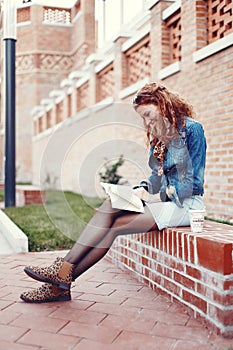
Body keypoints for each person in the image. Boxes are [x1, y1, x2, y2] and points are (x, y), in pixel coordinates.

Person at [20, 82, 206, 303]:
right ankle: (61, 280)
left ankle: (60, 278)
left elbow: (192, 184)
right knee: (112, 208)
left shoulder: (192, 130)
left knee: (114, 222)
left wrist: (155, 195)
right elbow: (155, 179)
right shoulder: (158, 138)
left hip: (186, 207)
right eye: (143, 118)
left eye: (148, 114)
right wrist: (140, 189)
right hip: (164, 203)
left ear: (162, 104)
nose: (147, 122)